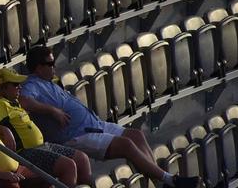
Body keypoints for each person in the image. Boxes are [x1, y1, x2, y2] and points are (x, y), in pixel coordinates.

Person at [19, 46, 202, 188]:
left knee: (135, 135)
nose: (54, 67)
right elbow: (24, 101)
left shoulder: (49, 82)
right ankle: (171, 181)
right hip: (75, 135)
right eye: (50, 64)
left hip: (94, 125)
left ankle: (163, 182)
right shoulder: (31, 84)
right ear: (37, 67)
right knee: (126, 145)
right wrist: (52, 111)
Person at [0, 69, 90, 187]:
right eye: (15, 85)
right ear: (2, 88)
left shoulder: (12, 101)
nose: (19, 87)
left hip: (42, 146)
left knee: (82, 158)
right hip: (25, 153)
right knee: (68, 166)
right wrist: (4, 130)